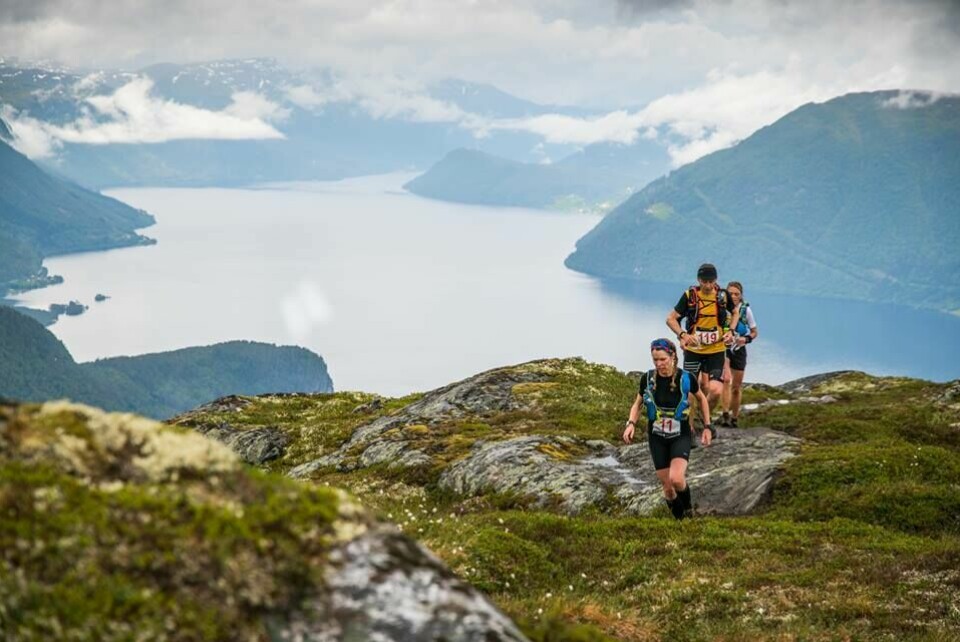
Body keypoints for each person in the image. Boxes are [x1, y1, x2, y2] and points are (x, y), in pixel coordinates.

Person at [623, 338, 714, 519]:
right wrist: (631, 424)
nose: (659, 364)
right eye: (655, 360)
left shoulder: (686, 378)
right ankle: (680, 522)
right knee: (668, 489)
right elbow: (637, 404)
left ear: (673, 357)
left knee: (677, 479)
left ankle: (688, 512)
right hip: (657, 437)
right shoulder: (647, 379)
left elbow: (702, 399)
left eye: (663, 359)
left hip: (680, 434)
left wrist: (707, 426)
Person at [665, 263, 733, 425]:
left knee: (716, 391)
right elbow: (671, 319)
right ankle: (689, 429)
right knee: (689, 391)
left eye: (711, 282)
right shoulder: (690, 296)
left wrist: (730, 331)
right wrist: (683, 335)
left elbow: (735, 312)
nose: (708, 285)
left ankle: (703, 418)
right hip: (693, 351)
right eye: (704, 282)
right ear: (698, 280)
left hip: (716, 350)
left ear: (716, 280)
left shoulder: (723, 296)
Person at [720, 281, 758, 428]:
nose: (734, 296)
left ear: (741, 295)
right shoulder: (721, 308)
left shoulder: (746, 310)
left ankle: (734, 417)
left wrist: (746, 339)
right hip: (724, 347)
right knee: (726, 379)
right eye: (731, 293)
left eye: (737, 294)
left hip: (739, 349)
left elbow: (754, 332)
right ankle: (725, 414)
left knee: (736, 387)